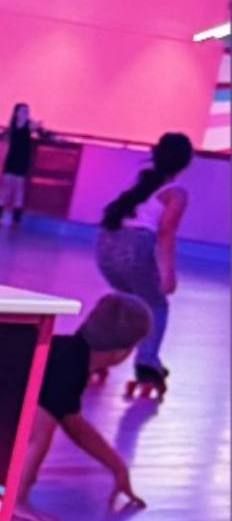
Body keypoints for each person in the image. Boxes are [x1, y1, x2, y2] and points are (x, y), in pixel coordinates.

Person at [13, 292, 155, 521]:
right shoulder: (67, 368)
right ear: (120, 353)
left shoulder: (69, 356)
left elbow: (74, 424)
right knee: (42, 430)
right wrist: (18, 500)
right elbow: (34, 437)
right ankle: (14, 498)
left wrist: (117, 467)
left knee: (45, 420)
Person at [96, 132, 193, 398]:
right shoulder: (176, 193)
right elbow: (165, 231)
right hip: (134, 249)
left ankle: (96, 353)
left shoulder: (143, 182)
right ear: (185, 162)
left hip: (106, 245)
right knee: (157, 306)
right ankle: (147, 364)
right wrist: (167, 272)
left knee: (127, 302)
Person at [0, 103, 48, 227]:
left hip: (22, 159)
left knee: (18, 187)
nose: (25, 114)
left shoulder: (29, 125)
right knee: (5, 186)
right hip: (12, 157)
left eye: (26, 111)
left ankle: (16, 218)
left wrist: (39, 128)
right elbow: (5, 136)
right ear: (16, 113)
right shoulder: (12, 126)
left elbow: (42, 134)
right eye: (22, 111)